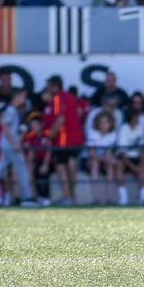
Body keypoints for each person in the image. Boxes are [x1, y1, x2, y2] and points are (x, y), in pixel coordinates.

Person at [42, 76, 86, 206]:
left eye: (50, 86)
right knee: (72, 165)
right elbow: (78, 112)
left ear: (55, 86)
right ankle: (71, 196)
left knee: (62, 166)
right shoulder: (69, 97)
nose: (48, 89)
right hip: (76, 138)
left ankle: (67, 196)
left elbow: (60, 119)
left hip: (64, 140)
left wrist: (50, 135)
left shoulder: (58, 98)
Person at [116, 107, 144, 205]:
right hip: (125, 158)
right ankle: (123, 197)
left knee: (143, 168)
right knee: (119, 165)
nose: (139, 118)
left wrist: (141, 162)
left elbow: (142, 148)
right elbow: (122, 153)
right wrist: (133, 167)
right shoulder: (124, 129)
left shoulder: (140, 128)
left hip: (136, 157)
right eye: (137, 116)